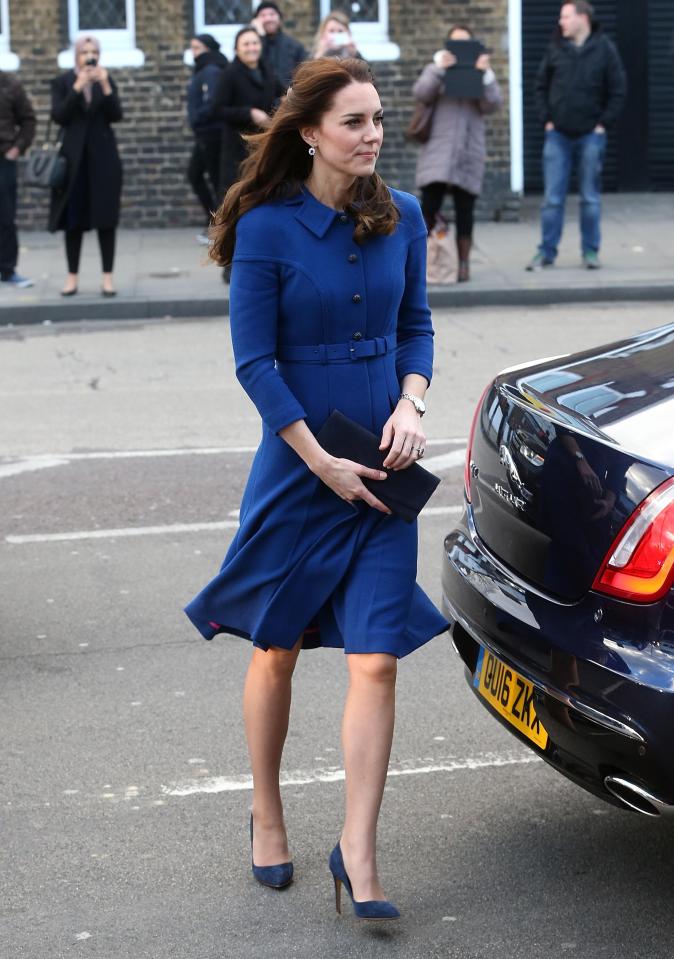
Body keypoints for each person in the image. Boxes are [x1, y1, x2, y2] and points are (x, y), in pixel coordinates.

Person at [184, 57, 447, 919]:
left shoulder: (401, 214)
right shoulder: (265, 226)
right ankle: (267, 810)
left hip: (385, 466)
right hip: (304, 468)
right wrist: (318, 460)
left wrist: (412, 402)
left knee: (375, 659)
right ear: (309, 132)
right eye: (356, 122)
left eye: (378, 118)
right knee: (279, 648)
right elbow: (253, 362)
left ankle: (359, 851)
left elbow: (416, 324)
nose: (374, 134)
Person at [526, 1, 626, 271]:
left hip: (591, 135)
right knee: (552, 199)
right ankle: (546, 252)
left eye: (566, 16)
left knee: (590, 198)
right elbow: (540, 86)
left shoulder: (605, 49)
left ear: (582, 18)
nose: (561, 22)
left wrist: (603, 124)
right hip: (557, 134)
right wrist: (546, 120)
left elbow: (618, 89)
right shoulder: (555, 48)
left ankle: (590, 252)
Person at [413, 24, 502, 282]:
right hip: (439, 148)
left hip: (468, 149)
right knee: (429, 205)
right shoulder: (436, 69)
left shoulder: (482, 72)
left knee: (466, 209)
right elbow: (421, 93)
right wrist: (439, 69)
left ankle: (463, 264)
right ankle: (422, 260)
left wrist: (485, 76)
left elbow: (493, 105)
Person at [49, 36, 123, 297]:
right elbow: (59, 116)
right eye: (85, 52)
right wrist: (78, 87)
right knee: (73, 220)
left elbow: (117, 114)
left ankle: (107, 277)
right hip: (73, 161)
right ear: (76, 55)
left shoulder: (106, 80)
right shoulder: (63, 82)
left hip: (104, 160)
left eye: (94, 52)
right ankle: (72, 277)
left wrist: (103, 83)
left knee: (106, 219)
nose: (89, 57)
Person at [212, 27, 284, 215]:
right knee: (237, 193)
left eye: (255, 43)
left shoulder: (266, 69)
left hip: (263, 143)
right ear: (237, 49)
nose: (251, 48)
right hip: (238, 146)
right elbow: (218, 109)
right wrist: (249, 113)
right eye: (246, 44)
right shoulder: (230, 73)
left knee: (262, 191)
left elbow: (282, 93)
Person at [186, 33, 228, 244]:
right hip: (205, 133)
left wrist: (196, 118)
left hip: (211, 134)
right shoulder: (203, 69)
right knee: (195, 175)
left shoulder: (211, 70)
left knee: (213, 179)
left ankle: (218, 228)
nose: (194, 52)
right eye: (192, 48)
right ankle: (214, 223)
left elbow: (213, 102)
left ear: (208, 48)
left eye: (197, 48)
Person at [0, 70, 36, 288]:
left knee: (5, 217)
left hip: (3, 159)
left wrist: (17, 149)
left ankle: (7, 269)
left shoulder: (9, 84)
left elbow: (28, 120)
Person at [250, 1, 307, 89]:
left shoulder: (294, 46)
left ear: (279, 19)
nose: (268, 19)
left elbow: (304, 74)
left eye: (272, 14)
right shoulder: (250, 48)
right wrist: (261, 37)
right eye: (263, 15)